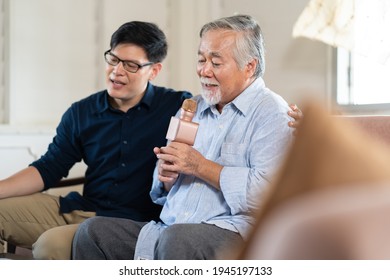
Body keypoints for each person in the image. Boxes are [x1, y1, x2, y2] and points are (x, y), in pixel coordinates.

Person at [72, 14, 296, 260]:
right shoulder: (191, 107)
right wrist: (166, 176)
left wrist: (200, 166)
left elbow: (268, 194)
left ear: (249, 67)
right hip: (169, 229)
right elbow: (165, 191)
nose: (204, 70)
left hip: (234, 234)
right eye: (201, 59)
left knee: (178, 238)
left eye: (216, 62)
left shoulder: (273, 113)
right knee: (92, 232)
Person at [0, 21, 192, 259]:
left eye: (131, 65)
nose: (116, 71)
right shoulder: (82, 112)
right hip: (82, 209)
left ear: (154, 70)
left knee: (51, 245)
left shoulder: (177, 107)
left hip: (135, 224)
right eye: (113, 59)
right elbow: (49, 168)